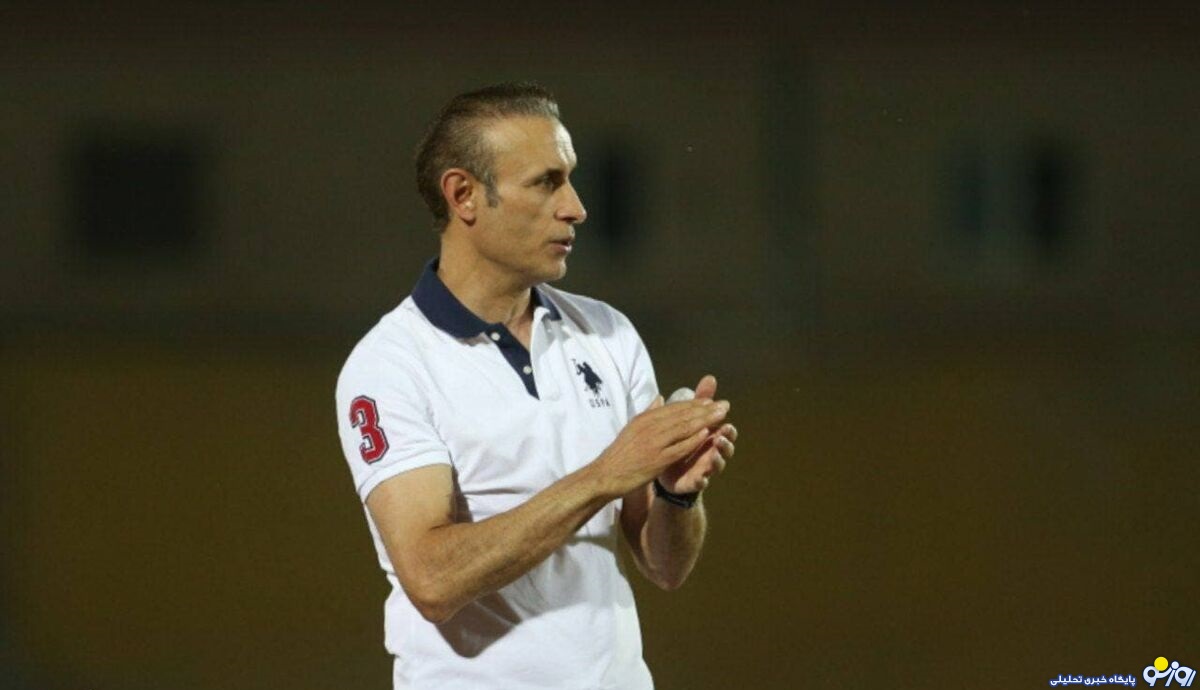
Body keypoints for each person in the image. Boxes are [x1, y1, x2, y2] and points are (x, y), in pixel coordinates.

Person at [334, 82, 737, 689]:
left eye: (570, 179)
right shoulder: (390, 365)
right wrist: (605, 475)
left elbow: (665, 567)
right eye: (547, 182)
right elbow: (432, 580)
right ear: (464, 195)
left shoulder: (607, 333)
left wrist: (676, 495)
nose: (576, 207)